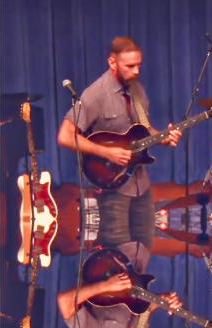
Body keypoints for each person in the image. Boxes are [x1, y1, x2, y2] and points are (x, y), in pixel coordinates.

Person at [57, 36, 182, 246]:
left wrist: (164, 137)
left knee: (142, 248)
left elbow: (144, 129)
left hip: (140, 183)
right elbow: (65, 136)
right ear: (112, 63)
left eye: (139, 65)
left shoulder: (137, 90)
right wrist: (107, 152)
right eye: (130, 66)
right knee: (116, 249)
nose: (136, 71)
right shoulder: (95, 94)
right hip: (111, 184)